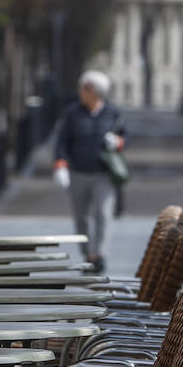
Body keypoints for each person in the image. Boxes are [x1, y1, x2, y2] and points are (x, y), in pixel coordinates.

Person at [52, 70, 127, 274]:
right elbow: (62, 141)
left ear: (97, 91)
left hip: (103, 174)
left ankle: (99, 255)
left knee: (103, 214)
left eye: (86, 88)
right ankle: (88, 255)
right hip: (78, 173)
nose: (81, 91)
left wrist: (118, 143)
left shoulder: (112, 113)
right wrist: (60, 164)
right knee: (81, 217)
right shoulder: (72, 113)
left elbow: (123, 137)